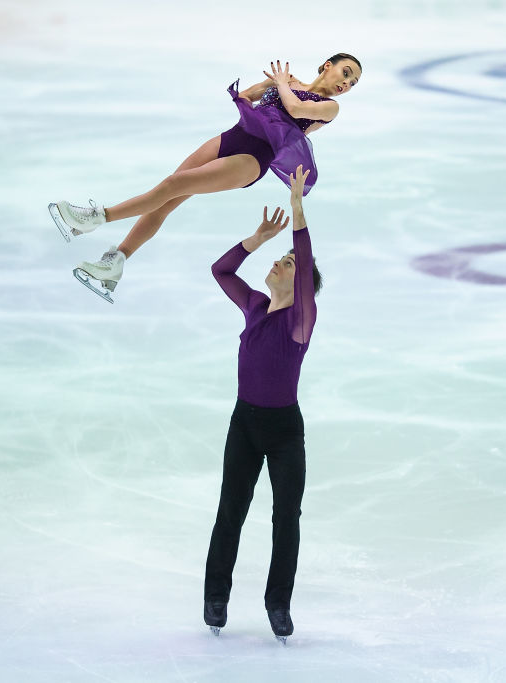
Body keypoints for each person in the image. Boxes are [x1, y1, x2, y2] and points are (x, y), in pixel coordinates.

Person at [48, 54, 360, 300]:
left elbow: (294, 106)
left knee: (172, 186)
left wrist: (281, 85)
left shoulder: (330, 108)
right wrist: (263, 87)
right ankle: (115, 263)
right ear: (327, 66)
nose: (346, 84)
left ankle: (95, 218)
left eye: (352, 83)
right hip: (234, 136)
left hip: (252, 159)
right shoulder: (286, 80)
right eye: (346, 73)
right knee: (167, 200)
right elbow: (248, 98)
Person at [202, 165, 321, 643]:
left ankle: (278, 605)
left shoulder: (300, 320)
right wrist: (256, 239)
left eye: (288, 264)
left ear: (302, 285)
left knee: (285, 517)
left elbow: (306, 255)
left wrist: (296, 210)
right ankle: (216, 597)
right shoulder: (253, 305)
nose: (278, 263)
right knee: (231, 509)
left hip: (284, 430)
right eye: (280, 259)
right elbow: (221, 270)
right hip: (244, 425)